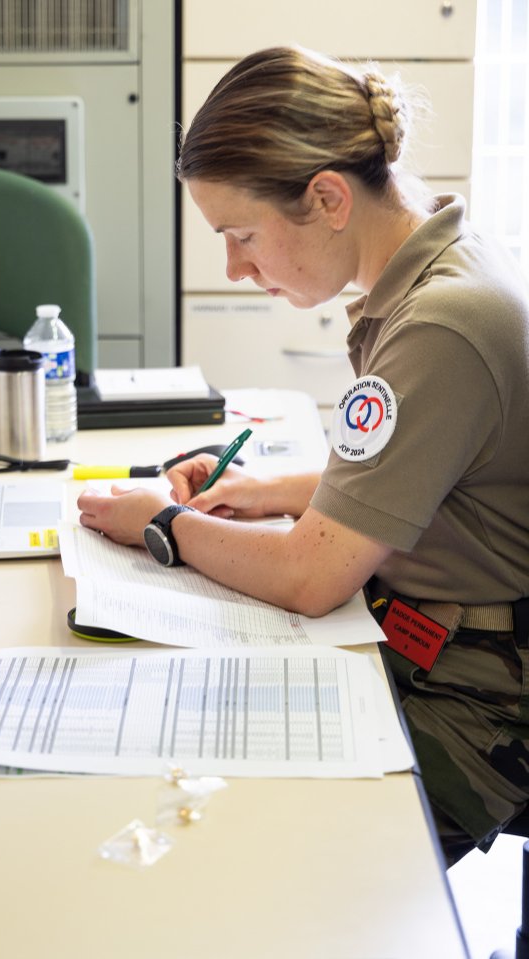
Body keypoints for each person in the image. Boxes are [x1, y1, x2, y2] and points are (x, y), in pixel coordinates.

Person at [79, 45, 529, 866]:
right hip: (428, 635)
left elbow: (310, 579)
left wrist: (166, 524)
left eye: (242, 235)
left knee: (244, 848)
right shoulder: (439, 272)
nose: (235, 266)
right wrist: (268, 490)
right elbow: (429, 473)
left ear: (327, 198)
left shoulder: (441, 324)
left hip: (481, 694)